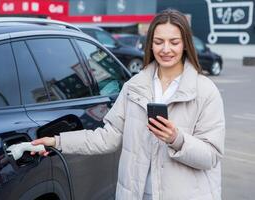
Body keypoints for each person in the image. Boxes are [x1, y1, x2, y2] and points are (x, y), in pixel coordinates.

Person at [31, 9, 225, 200]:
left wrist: (177, 139)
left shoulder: (205, 91)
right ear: (150, 45)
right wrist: (58, 141)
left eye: (174, 42)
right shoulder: (134, 87)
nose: (166, 49)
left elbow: (211, 156)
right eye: (159, 42)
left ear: (185, 44)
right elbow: (108, 137)